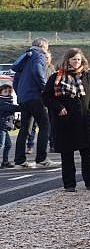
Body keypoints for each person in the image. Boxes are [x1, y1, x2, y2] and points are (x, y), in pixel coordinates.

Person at [41, 49, 90, 191]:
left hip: (84, 121)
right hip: (64, 122)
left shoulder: (88, 77)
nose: (76, 62)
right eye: (73, 59)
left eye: (78, 59)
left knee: (87, 153)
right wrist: (58, 107)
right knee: (67, 155)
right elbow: (46, 97)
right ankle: (69, 184)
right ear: (67, 60)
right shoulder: (56, 77)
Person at [11, 37, 51, 167]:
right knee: (45, 125)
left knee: (24, 129)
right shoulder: (38, 55)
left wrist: (20, 95)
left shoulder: (25, 58)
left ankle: (19, 161)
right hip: (35, 96)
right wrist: (45, 89)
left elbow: (16, 81)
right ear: (43, 47)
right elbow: (38, 72)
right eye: (47, 48)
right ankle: (41, 159)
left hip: (23, 98)